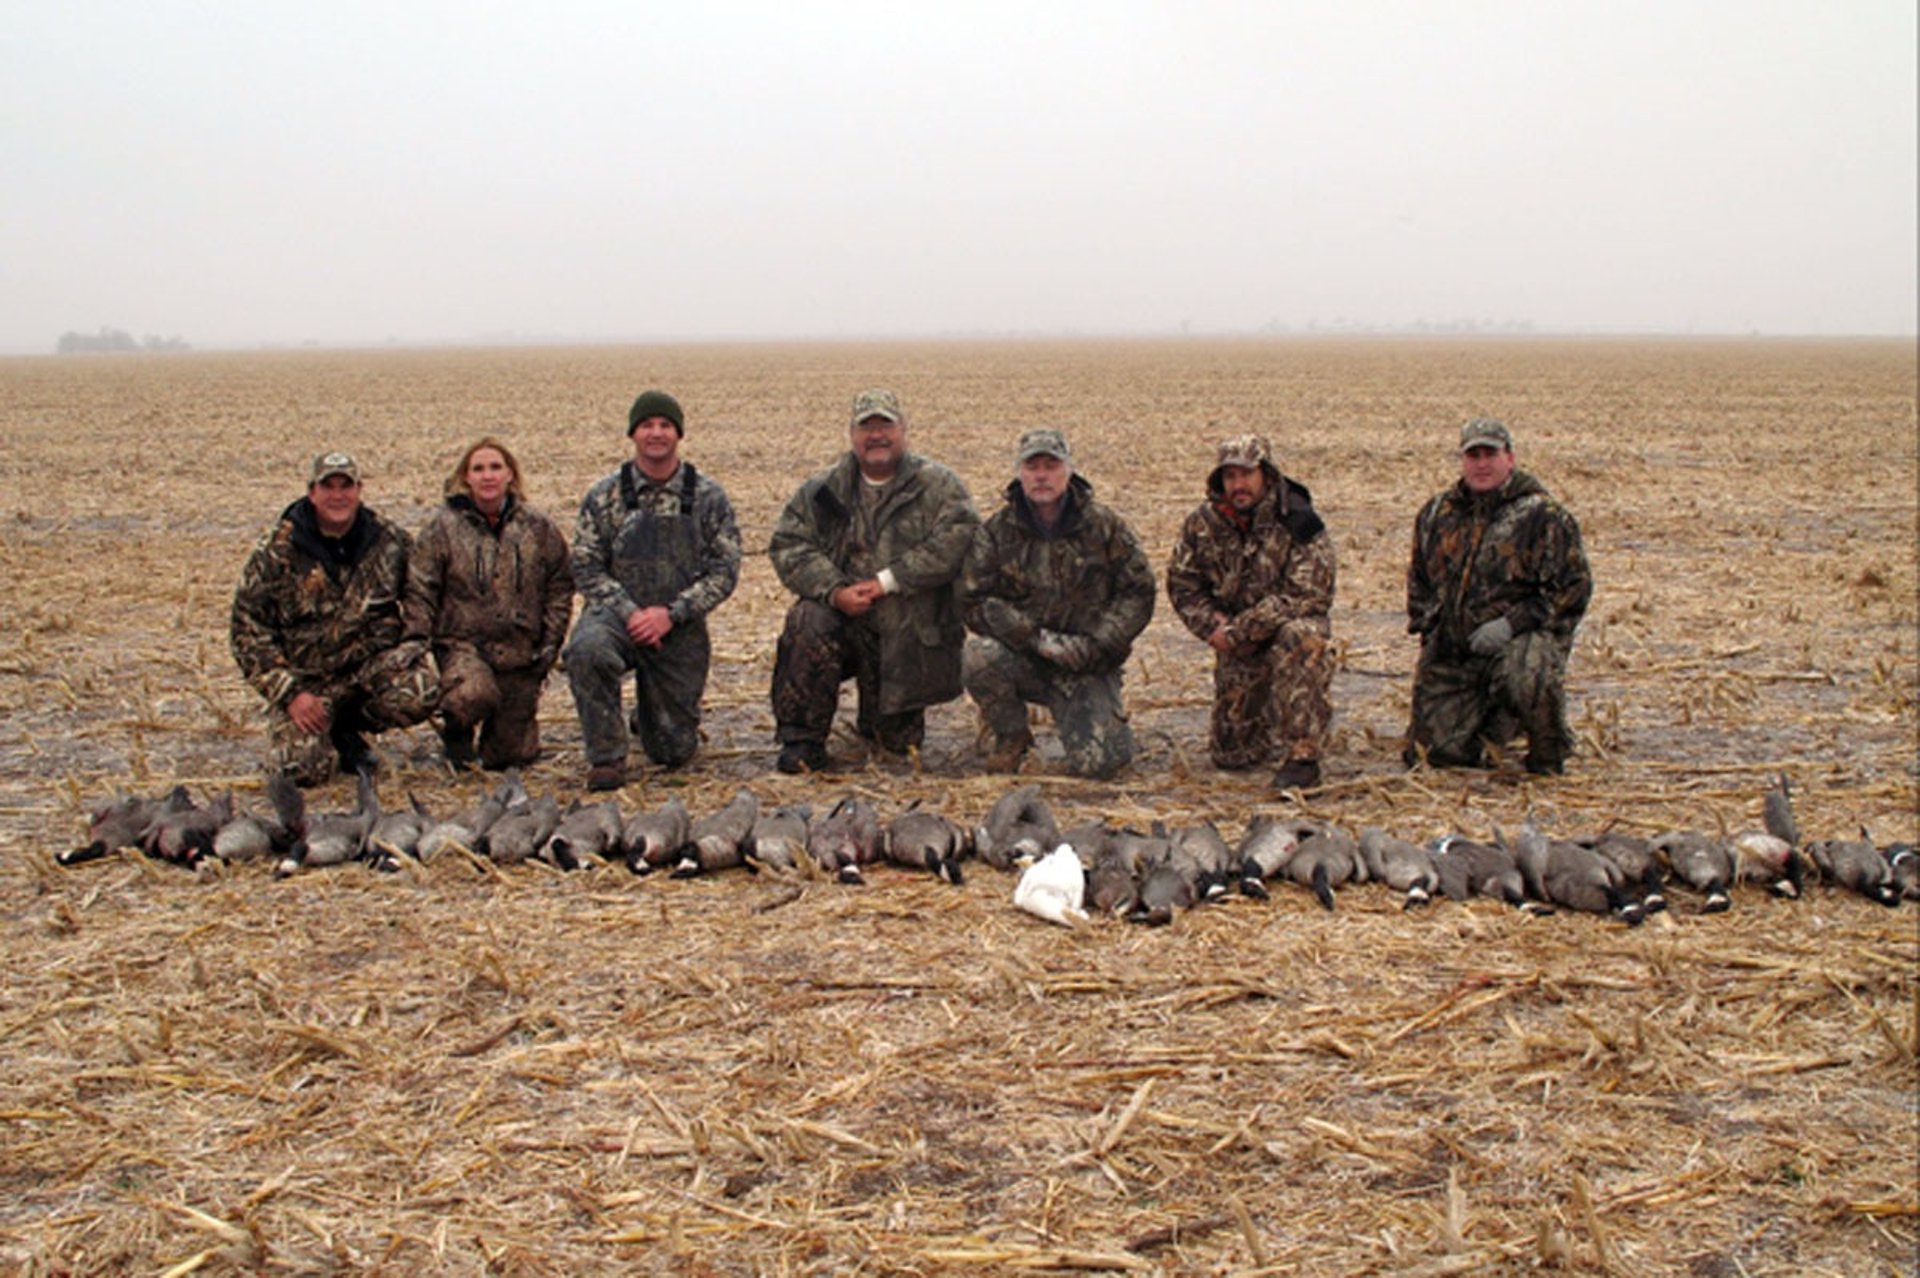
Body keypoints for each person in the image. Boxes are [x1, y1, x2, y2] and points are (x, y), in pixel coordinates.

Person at [768, 388, 980, 773]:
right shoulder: (825, 490)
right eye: (867, 427)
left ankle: (883, 722)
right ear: (852, 434)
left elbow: (961, 537)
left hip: (908, 631)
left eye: (886, 426)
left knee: (896, 749)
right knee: (808, 619)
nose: (877, 436)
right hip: (845, 622)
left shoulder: (937, 486)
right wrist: (835, 591)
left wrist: (890, 580)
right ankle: (802, 739)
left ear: (904, 430)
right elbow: (788, 545)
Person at [564, 391, 741, 791]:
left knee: (673, 752)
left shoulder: (708, 497)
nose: (656, 433)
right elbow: (586, 565)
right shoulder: (604, 495)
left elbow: (724, 571)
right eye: (647, 425)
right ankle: (606, 756)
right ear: (633, 434)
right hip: (616, 617)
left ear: (678, 434)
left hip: (678, 624)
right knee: (587, 651)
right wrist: (630, 612)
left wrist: (672, 614)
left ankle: (649, 718)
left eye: (665, 425)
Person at [231, 451, 439, 786]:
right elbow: (247, 632)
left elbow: (421, 597)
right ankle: (327, 732)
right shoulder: (276, 550)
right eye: (328, 486)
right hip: (307, 682)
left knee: (421, 691)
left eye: (346, 486)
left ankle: (346, 728)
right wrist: (290, 693)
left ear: (359, 489)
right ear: (312, 492)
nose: (338, 495)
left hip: (366, 673)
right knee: (300, 773)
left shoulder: (390, 541)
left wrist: (409, 647)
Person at [959, 428, 1155, 778]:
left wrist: (1098, 643)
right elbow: (972, 600)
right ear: (1020, 473)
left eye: (1051, 465)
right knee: (978, 657)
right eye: (1032, 466)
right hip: (1026, 657)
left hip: (1086, 663)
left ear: (1068, 470)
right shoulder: (996, 532)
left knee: (1103, 766)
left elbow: (1139, 592)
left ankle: (1089, 713)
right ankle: (1011, 737)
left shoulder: (1103, 526)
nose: (1041, 475)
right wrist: (1032, 637)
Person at [1405, 417, 1591, 775]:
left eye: (1490, 453)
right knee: (1433, 756)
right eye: (1472, 454)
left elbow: (1573, 589)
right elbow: (1419, 580)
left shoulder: (1542, 516)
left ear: (1510, 458)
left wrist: (1511, 624)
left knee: (1527, 670)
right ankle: (1495, 720)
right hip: (1460, 652)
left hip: (1517, 645)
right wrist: (1432, 631)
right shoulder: (1436, 513)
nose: (1481, 463)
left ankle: (1548, 751)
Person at [1166, 434, 1336, 792]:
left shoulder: (1298, 519)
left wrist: (1242, 630)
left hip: (1283, 633)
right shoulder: (1203, 523)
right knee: (1233, 755)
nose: (1238, 485)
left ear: (1266, 474)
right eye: (1229, 476)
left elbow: (1308, 595)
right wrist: (1213, 628)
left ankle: (1302, 756)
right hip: (1235, 644)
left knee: (1304, 636)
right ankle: (1269, 719)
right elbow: (1183, 584)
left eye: (1246, 474)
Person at [403, 437, 573, 771]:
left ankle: (502, 731)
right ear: (466, 477)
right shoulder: (443, 527)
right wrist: (416, 642)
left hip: (519, 651)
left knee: (511, 757)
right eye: (478, 468)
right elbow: (421, 587)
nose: (487, 475)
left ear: (510, 474)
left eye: (495, 467)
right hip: (463, 646)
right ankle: (457, 728)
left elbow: (560, 586)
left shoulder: (538, 527)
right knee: (472, 694)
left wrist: (550, 642)